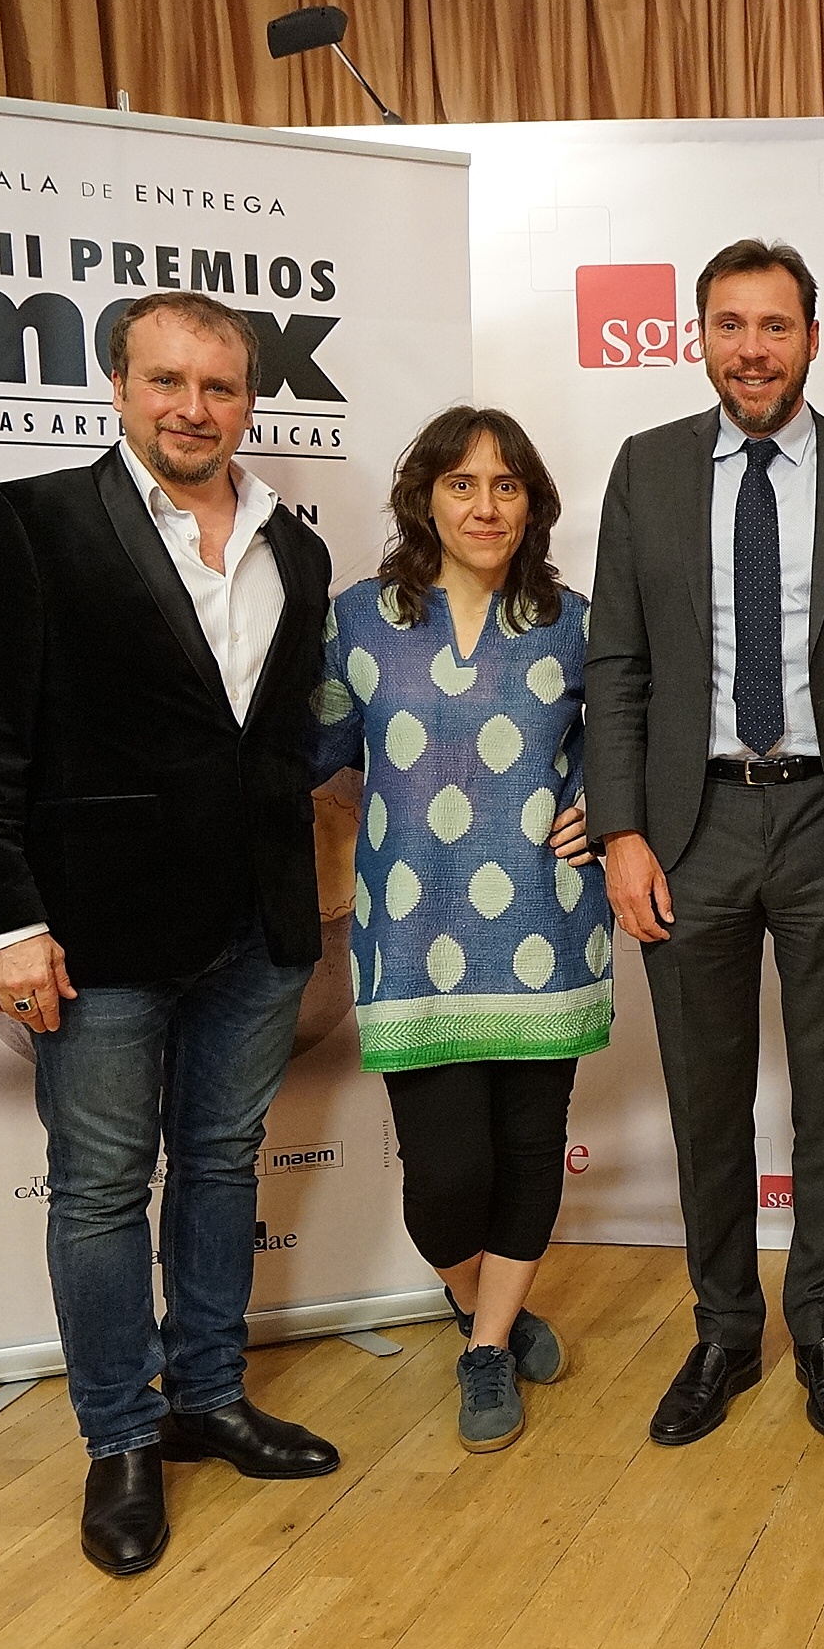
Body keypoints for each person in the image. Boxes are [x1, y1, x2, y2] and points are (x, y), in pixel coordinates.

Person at [0, 292, 342, 1577]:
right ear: (117, 386)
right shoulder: (27, 522)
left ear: (248, 400)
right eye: (167, 381)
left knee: (220, 1165)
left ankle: (207, 1397)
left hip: (256, 928)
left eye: (218, 386)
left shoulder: (295, 548)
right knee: (101, 1188)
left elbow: (274, 739)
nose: (192, 409)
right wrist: (0, 923)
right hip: (92, 933)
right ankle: (121, 1439)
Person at [587, 239, 824, 1446]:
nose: (752, 349)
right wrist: (622, 830)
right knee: (706, 1099)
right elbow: (617, 665)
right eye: (730, 325)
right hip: (687, 826)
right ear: (699, 337)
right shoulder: (645, 468)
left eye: (774, 326)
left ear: (811, 339)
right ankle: (725, 1333)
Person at [311, 406, 609, 1453]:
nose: (486, 506)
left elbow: (630, 737)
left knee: (529, 1151)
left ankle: (483, 1349)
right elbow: (302, 748)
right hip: (410, 936)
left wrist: (609, 804)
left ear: (532, 505)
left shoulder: (574, 622)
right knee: (445, 1184)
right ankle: (487, 1303)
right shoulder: (359, 620)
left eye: (506, 485)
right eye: (463, 484)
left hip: (546, 923)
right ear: (425, 500)